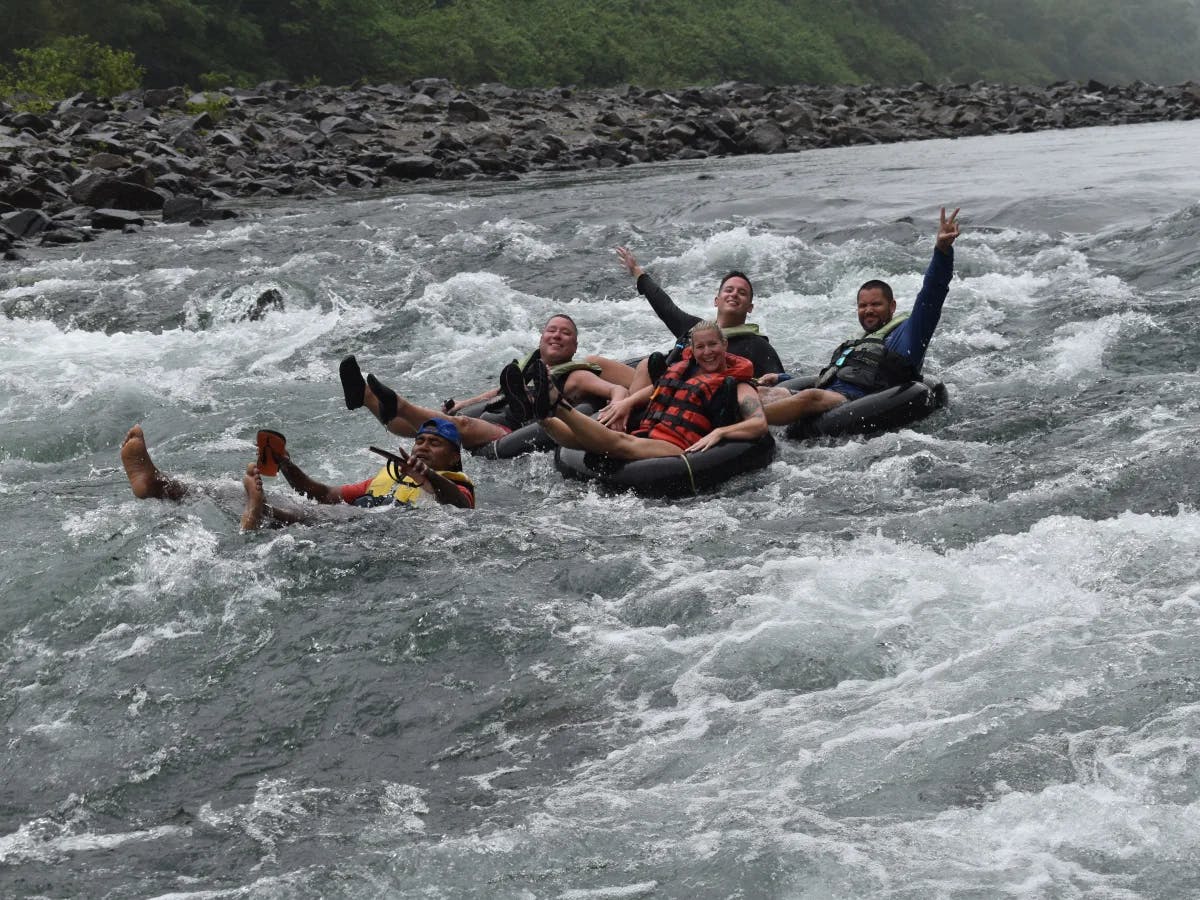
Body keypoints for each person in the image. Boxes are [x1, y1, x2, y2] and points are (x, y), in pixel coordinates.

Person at [759, 207, 961, 426]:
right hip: (828, 393)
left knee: (809, 397)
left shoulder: (910, 334)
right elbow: (829, 377)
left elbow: (932, 294)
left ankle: (744, 426)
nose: (868, 310)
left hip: (856, 401)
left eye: (876, 304)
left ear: (892, 306)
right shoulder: (857, 343)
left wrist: (942, 251)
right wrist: (783, 379)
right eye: (863, 305)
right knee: (764, 392)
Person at [340, 313, 629, 451]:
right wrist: (465, 403)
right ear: (540, 339)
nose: (556, 335)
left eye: (565, 333)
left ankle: (398, 402)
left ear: (575, 346)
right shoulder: (528, 366)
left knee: (463, 426)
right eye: (551, 331)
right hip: (498, 412)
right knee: (447, 418)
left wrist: (619, 405)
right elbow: (500, 391)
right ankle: (365, 397)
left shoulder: (577, 374)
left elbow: (615, 388)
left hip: (515, 429)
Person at [119, 418, 474, 530]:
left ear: (455, 456)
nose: (422, 447)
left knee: (314, 516)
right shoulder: (388, 477)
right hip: (350, 516)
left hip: (380, 533)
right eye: (419, 441)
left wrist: (429, 476)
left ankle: (259, 512)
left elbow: (458, 506)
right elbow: (322, 492)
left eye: (435, 443)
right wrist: (287, 464)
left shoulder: (459, 487)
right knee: (231, 488)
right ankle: (160, 485)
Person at [504, 320, 767, 461]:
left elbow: (758, 425)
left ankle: (556, 404)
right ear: (693, 351)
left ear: (724, 344)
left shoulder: (738, 384)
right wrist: (627, 404)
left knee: (620, 443)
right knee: (577, 440)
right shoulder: (686, 371)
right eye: (701, 347)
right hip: (651, 431)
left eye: (713, 345)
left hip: (678, 448)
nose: (707, 352)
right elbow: (658, 390)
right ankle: (541, 414)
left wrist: (721, 432)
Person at [585, 249, 784, 431]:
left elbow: (782, 381)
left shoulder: (758, 345)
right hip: (661, 385)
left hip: (688, 399)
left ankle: (623, 422)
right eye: (729, 290)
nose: (734, 294)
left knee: (646, 366)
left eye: (742, 293)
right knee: (595, 363)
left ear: (750, 307)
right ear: (717, 300)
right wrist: (637, 271)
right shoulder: (696, 329)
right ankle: (619, 408)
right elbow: (664, 305)